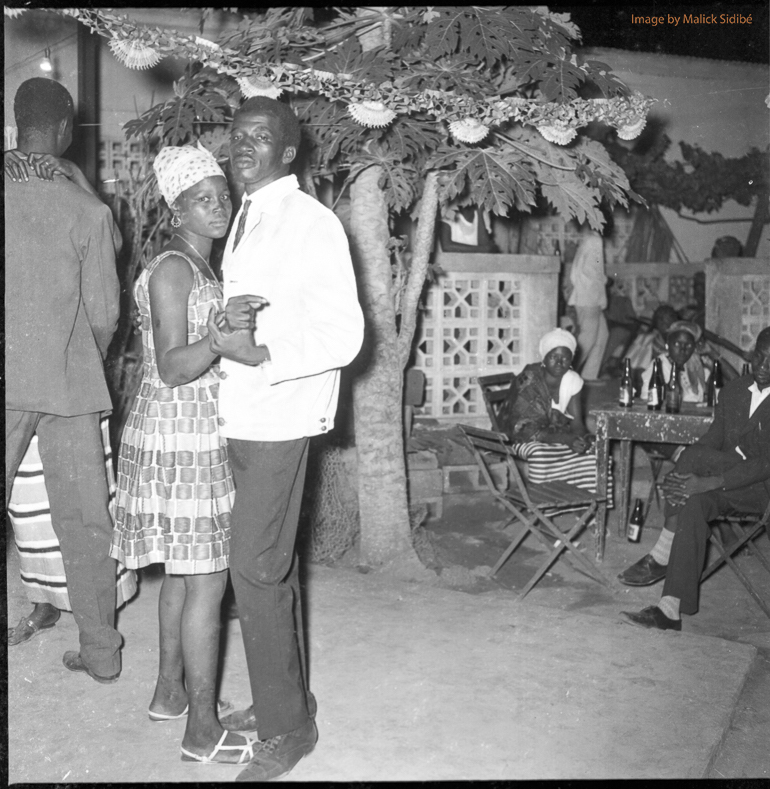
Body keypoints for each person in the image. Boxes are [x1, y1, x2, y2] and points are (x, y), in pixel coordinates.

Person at [205, 96, 364, 782]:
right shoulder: (249, 214)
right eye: (237, 135)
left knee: (254, 568)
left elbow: (345, 334)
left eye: (260, 137)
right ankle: (286, 695)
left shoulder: (311, 221)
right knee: (272, 565)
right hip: (242, 413)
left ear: (290, 151)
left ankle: (289, 728)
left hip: (281, 413)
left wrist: (260, 348)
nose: (243, 146)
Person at [108, 144, 259, 764]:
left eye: (223, 195)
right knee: (208, 581)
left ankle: (170, 691)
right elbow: (173, 367)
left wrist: (222, 324)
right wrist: (220, 340)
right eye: (204, 199)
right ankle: (201, 730)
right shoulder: (174, 269)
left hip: (182, 431)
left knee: (183, 573)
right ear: (176, 208)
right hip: (181, 432)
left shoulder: (197, 267)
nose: (219, 206)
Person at [5, 77, 123, 684]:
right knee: (85, 521)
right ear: (63, 128)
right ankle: (101, 652)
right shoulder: (89, 209)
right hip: (71, 382)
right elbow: (105, 313)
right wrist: (82, 355)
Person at [618, 326, 770, 630]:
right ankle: (669, 610)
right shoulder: (735, 390)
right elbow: (714, 438)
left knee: (695, 463)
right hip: (723, 478)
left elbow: (764, 465)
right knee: (691, 496)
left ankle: (662, 551)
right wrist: (686, 479)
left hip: (759, 489)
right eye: (760, 358)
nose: (763, 368)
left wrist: (705, 480)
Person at [7, 420, 137, 645]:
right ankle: (44, 602)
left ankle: (97, 624)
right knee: (26, 502)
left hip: (71, 399)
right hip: (19, 398)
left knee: (84, 499)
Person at [497, 328, 606, 493]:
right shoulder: (529, 380)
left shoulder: (572, 380)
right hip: (518, 438)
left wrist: (583, 438)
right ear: (544, 358)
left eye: (565, 358)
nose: (560, 363)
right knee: (541, 455)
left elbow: (576, 422)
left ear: (571, 360)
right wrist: (566, 439)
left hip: (556, 436)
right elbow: (522, 428)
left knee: (595, 452)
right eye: (554, 357)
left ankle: (586, 508)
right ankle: (544, 506)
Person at [567, 225, 609, 381]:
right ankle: (567, 374)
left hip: (587, 295)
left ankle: (588, 378)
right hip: (590, 297)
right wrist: (604, 281)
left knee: (602, 336)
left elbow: (584, 268)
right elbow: (595, 270)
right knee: (588, 340)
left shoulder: (590, 238)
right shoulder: (595, 240)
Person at [639, 320, 710, 406]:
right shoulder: (660, 365)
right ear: (667, 344)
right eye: (677, 344)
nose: (682, 350)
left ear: (694, 347)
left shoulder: (694, 363)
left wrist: (712, 354)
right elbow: (648, 401)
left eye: (688, 345)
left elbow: (728, 384)